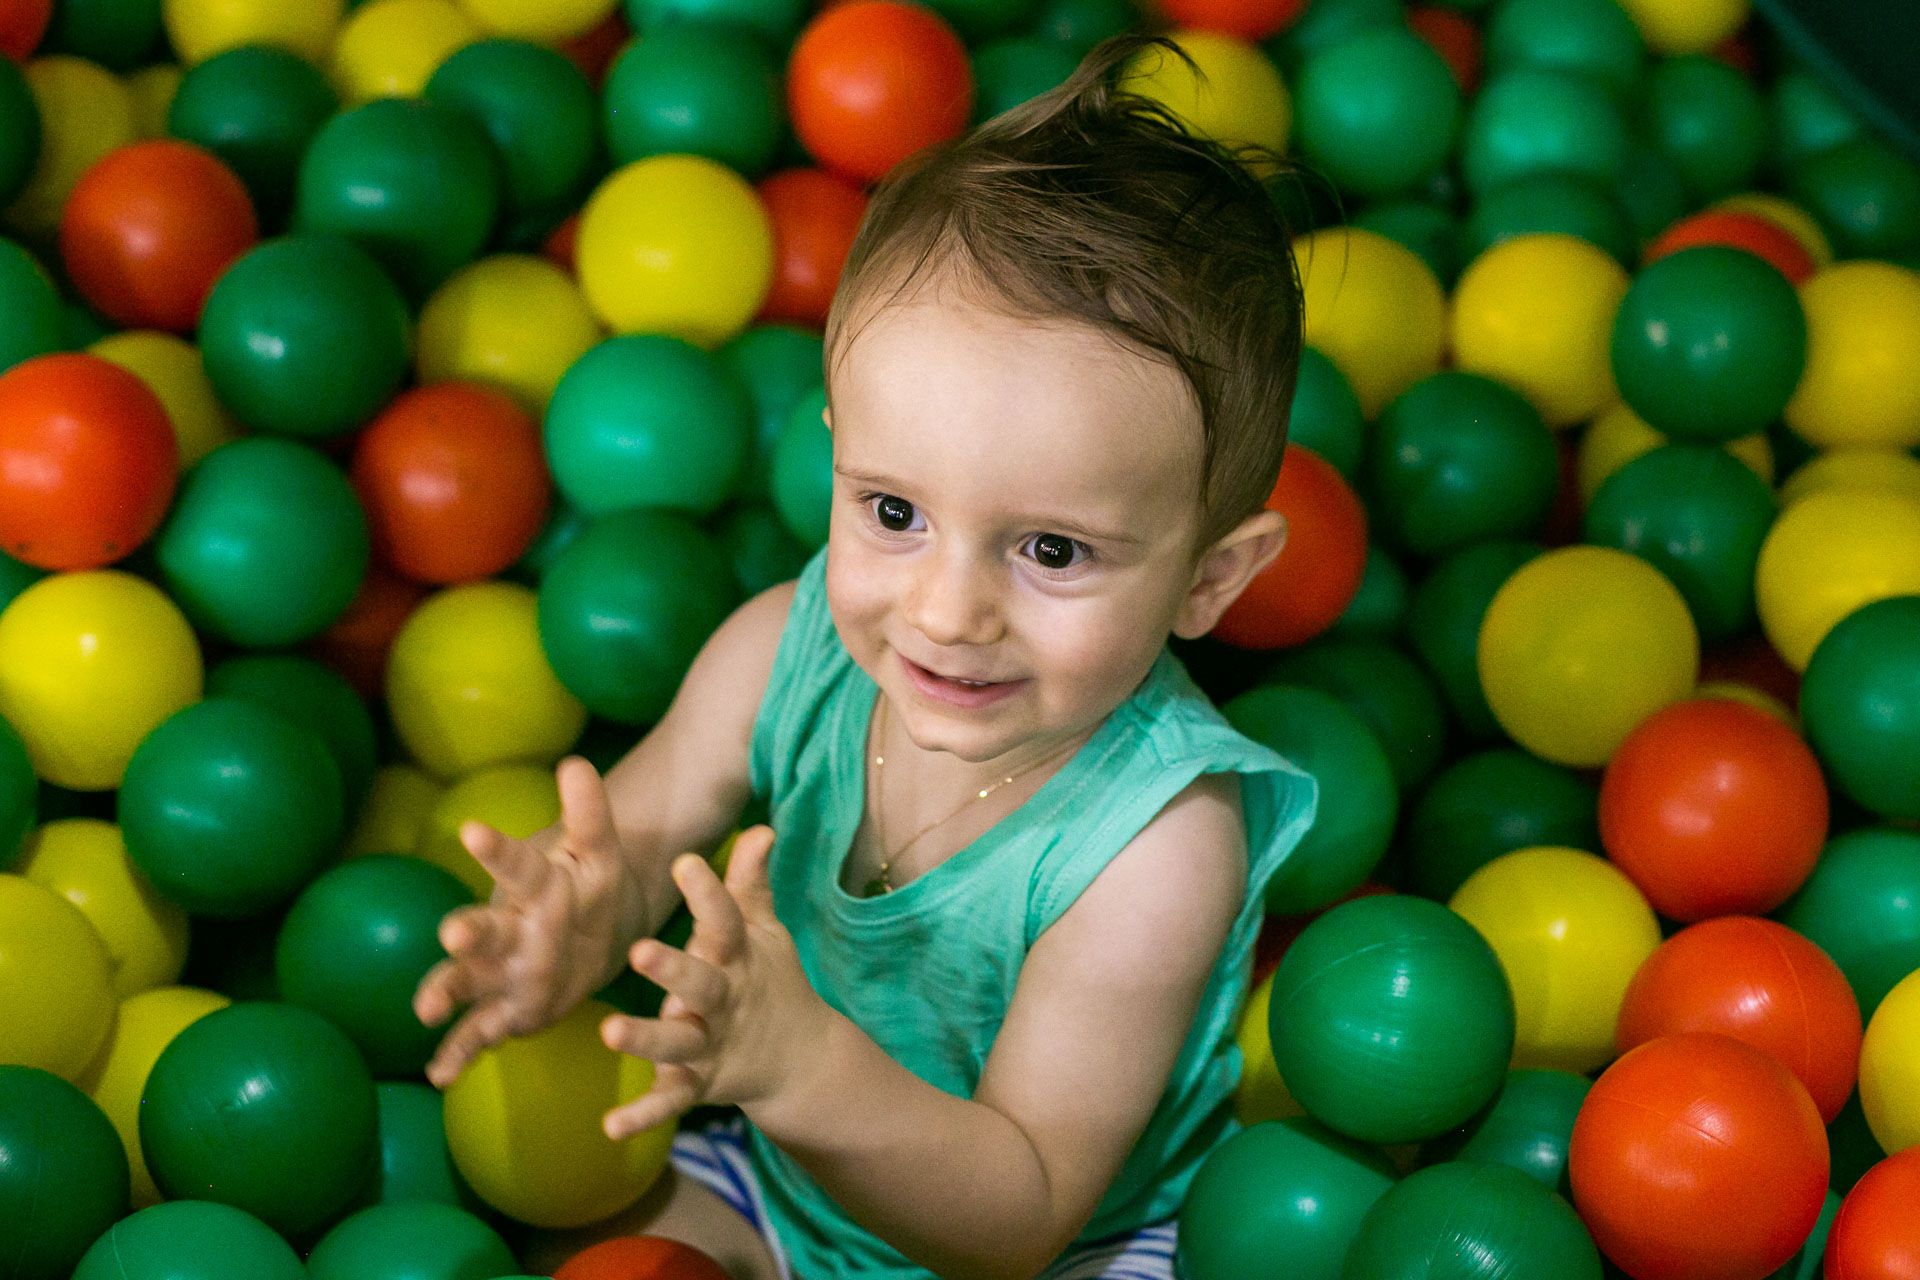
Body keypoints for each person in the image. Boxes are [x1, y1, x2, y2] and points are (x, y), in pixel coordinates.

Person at [413, 32, 1318, 1280]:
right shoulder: (786, 651)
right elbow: (643, 825)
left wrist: (800, 1067)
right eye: (895, 511)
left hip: (1068, 1245)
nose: (948, 611)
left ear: (1210, 576)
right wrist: (574, 919)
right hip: (769, 1163)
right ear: (837, 452)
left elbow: (1023, 1210)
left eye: (1052, 549)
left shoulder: (1158, 842)